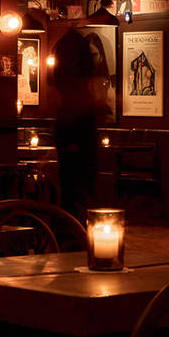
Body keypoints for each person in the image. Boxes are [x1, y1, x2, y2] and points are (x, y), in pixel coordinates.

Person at [52, 30, 102, 216]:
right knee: (84, 187)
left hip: (71, 136)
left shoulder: (70, 101)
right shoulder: (83, 101)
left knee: (70, 188)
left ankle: (70, 226)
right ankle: (79, 226)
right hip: (81, 134)